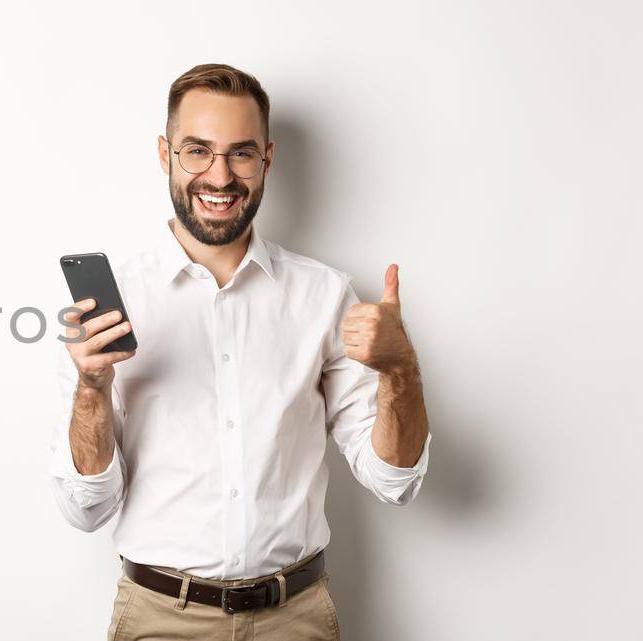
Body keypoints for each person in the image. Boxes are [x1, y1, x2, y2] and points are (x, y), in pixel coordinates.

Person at [50, 63, 431, 640]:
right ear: (165, 154)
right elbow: (86, 510)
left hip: (295, 621)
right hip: (159, 621)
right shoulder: (108, 310)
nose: (220, 176)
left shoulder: (325, 296)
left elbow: (393, 482)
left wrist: (400, 369)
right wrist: (91, 392)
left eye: (241, 154)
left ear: (268, 160)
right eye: (197, 151)